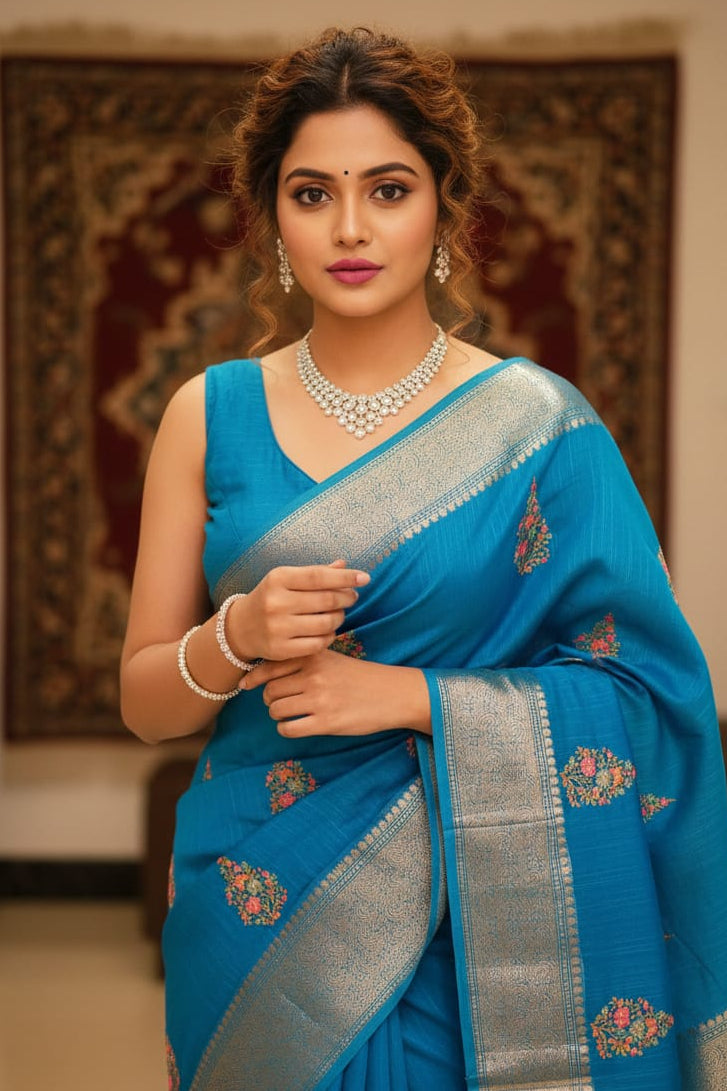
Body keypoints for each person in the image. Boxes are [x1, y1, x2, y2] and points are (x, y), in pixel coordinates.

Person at [120, 26, 727, 1091]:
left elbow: (648, 693)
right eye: (312, 193)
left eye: (387, 188)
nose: (350, 227)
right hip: (256, 903)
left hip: (481, 922)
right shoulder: (206, 414)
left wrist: (409, 697)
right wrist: (233, 638)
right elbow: (146, 702)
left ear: (445, 205)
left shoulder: (536, 425)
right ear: (270, 218)